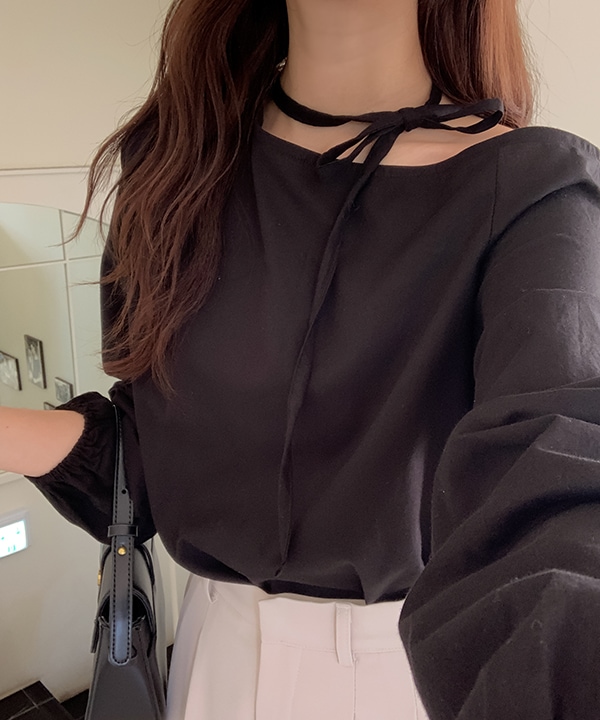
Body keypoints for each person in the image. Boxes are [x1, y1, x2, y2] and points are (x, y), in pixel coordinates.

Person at [2, 0, 600, 717]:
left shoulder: (540, 192)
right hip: (210, 657)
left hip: (408, 677)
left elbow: (556, 475)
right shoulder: (175, 162)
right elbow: (152, 463)